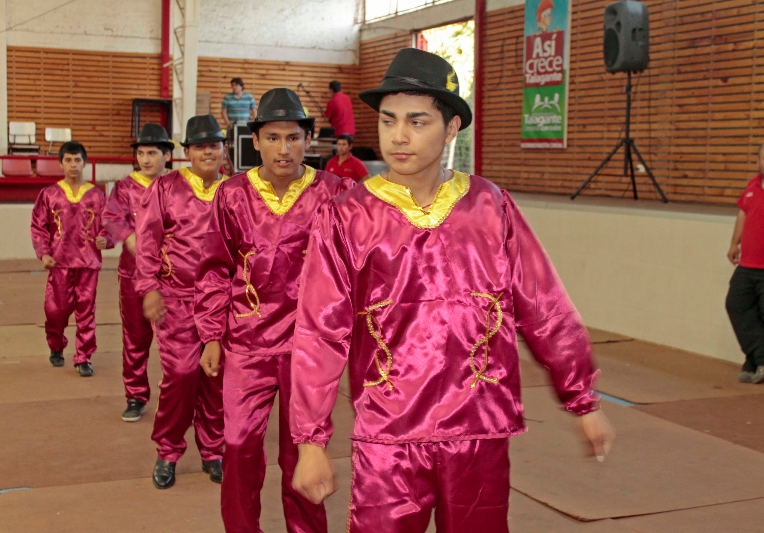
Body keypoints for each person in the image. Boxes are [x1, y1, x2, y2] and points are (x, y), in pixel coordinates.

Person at [288, 49, 616, 533]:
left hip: (477, 426)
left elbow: (543, 306)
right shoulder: (347, 216)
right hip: (388, 433)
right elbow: (320, 331)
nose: (399, 136)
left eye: (417, 122)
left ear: (451, 128)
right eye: (388, 120)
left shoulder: (490, 206)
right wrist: (310, 441)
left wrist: (582, 399)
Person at [195, 88, 354, 533]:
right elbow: (215, 268)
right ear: (256, 141)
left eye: (293, 137)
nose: (283, 148)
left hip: (310, 349)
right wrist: (211, 336)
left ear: (309, 139)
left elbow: (357, 268)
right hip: (246, 345)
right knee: (239, 448)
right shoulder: (232, 195)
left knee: (302, 453)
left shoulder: (336, 193)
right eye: (272, 137)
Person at [135, 115, 227, 489]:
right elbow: (147, 240)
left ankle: (213, 449)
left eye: (214, 145)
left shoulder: (235, 191)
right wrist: (149, 287)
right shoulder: (165, 188)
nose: (208, 152)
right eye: (200, 146)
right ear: (186, 152)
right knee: (180, 375)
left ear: (223, 149)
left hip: (223, 303)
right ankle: (168, 450)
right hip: (175, 300)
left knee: (216, 378)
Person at [103, 123, 173, 422]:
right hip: (133, 275)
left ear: (167, 155)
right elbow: (113, 218)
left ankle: (177, 398)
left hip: (172, 277)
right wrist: (132, 241)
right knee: (135, 337)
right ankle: (135, 395)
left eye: (152, 153)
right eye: (141, 153)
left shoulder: (177, 186)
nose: (145, 159)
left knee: (178, 342)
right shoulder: (124, 187)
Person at [30, 141, 113, 377]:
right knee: (55, 311)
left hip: (88, 263)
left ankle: (83, 357)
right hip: (59, 263)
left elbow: (110, 224)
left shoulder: (98, 196)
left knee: (86, 311)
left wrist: (106, 239)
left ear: (84, 163)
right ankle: (56, 344)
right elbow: (39, 225)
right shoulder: (49, 194)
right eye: (68, 160)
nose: (73, 164)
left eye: (77, 160)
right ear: (61, 163)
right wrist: (44, 252)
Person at [726, 143, 764, 383]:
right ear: (758, 161)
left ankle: (755, 363)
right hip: (747, 265)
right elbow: (743, 213)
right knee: (736, 306)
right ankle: (759, 359)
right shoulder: (752, 185)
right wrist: (734, 243)